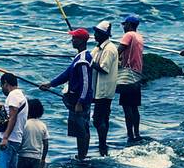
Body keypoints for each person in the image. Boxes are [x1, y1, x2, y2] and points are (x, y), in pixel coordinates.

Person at [40, 29, 94, 159]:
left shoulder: (83, 60)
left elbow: (86, 83)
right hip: (77, 100)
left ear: (81, 41)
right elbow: (66, 74)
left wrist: (80, 102)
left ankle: (82, 156)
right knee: (80, 129)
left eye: (74, 38)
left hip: (79, 101)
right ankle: (81, 155)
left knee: (82, 129)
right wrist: (50, 84)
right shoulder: (79, 57)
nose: (72, 40)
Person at [90, 21, 119, 156]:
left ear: (103, 35)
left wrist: (91, 63)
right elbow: (90, 56)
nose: (95, 35)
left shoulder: (109, 49)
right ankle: (103, 144)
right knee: (103, 118)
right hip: (100, 88)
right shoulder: (99, 48)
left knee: (98, 118)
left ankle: (102, 145)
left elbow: (103, 69)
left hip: (104, 89)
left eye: (97, 33)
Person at [116, 14, 145, 142]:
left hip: (127, 76)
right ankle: (137, 133)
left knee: (126, 107)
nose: (123, 27)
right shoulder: (139, 37)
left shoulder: (128, 35)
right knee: (134, 107)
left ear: (129, 25)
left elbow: (118, 51)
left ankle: (130, 135)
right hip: (137, 74)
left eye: (124, 24)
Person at [17, 98, 49, 168]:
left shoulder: (24, 124)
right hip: (36, 158)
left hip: (22, 157)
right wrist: (43, 159)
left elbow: (19, 140)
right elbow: (46, 144)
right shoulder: (42, 125)